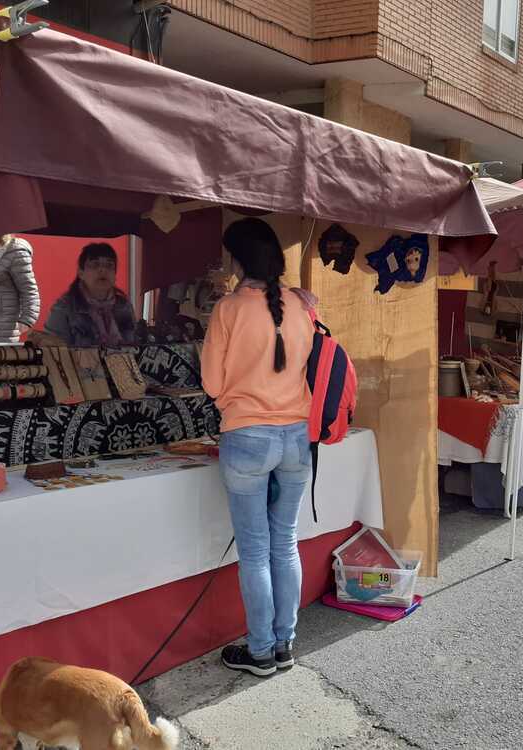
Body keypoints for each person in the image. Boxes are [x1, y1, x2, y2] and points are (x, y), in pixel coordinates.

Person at [201, 217, 317, 677]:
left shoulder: (228, 309)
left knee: (254, 549)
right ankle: (283, 645)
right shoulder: (302, 306)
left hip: (247, 435)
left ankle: (261, 651)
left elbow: (212, 382)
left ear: (237, 259)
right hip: (295, 435)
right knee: (284, 543)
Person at [45, 243, 136, 347]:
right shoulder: (64, 308)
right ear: (81, 273)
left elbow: (135, 345)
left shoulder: (124, 306)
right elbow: (52, 352)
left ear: (115, 274)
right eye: (95, 265)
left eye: (109, 265)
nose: (103, 270)